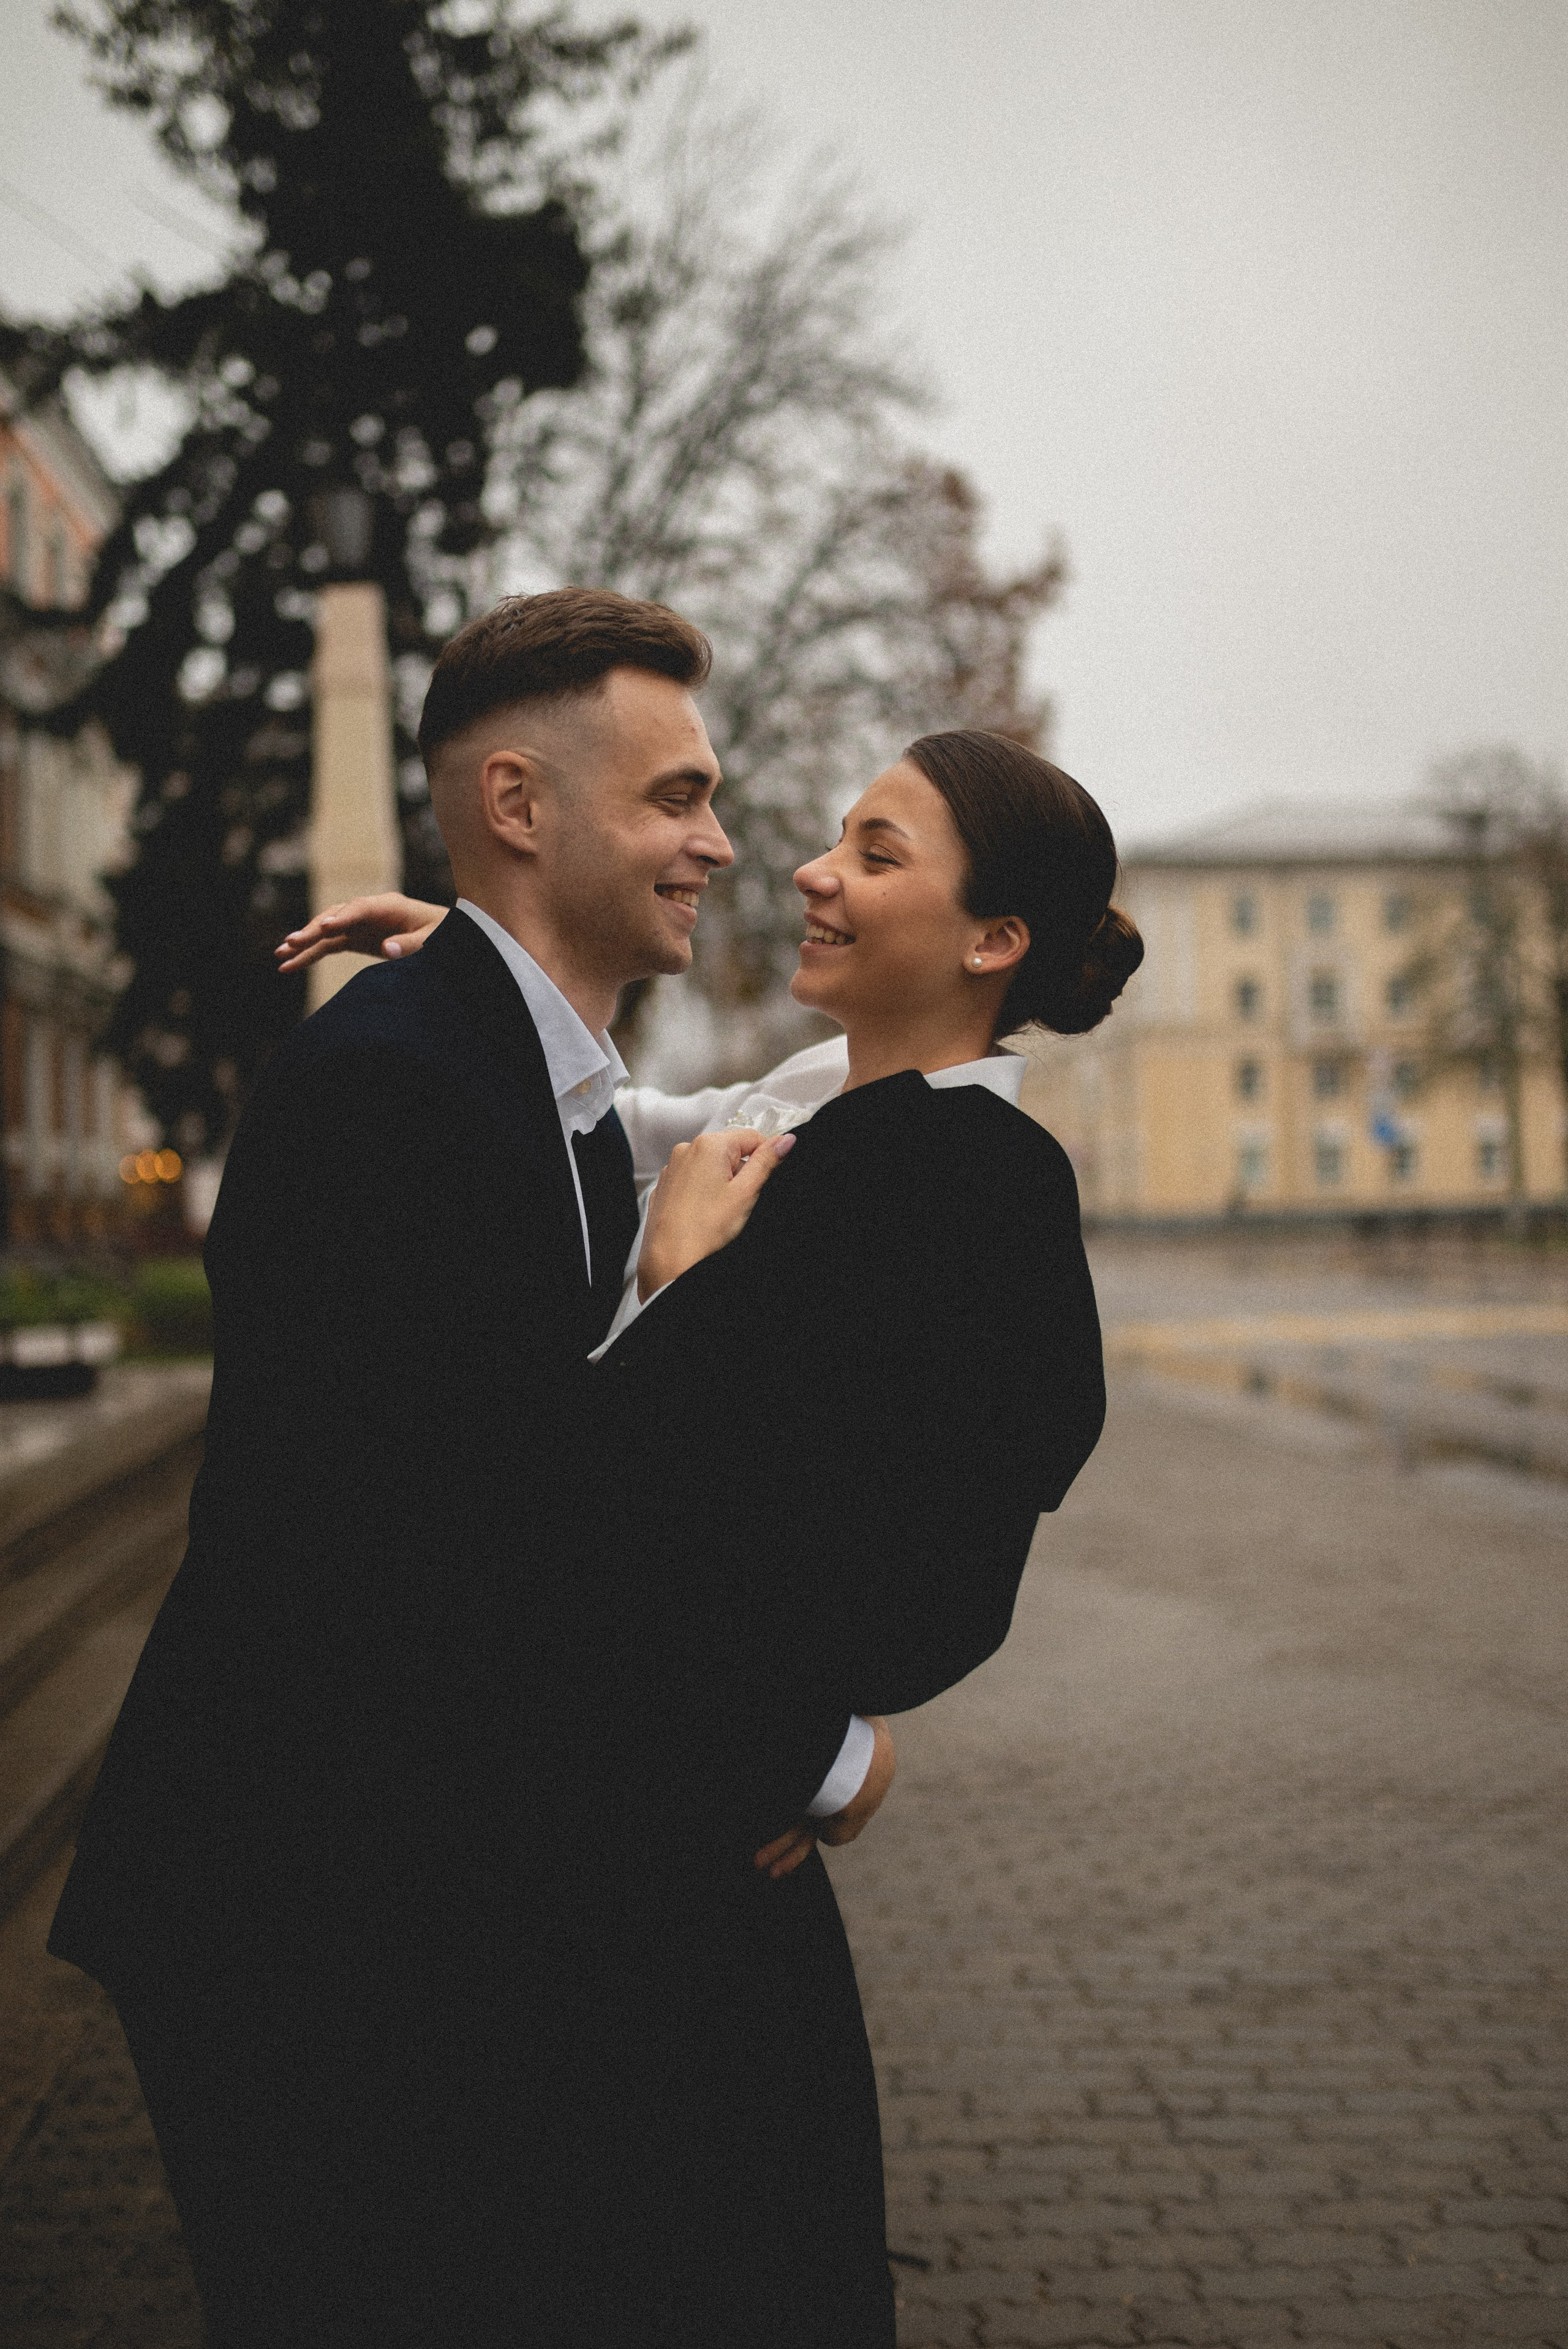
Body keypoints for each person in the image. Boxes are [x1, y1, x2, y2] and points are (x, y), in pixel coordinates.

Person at [48, 590, 895, 2349]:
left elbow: (834, 1095)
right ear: (521, 805)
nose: (719, 842)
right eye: (674, 796)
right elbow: (478, 1547)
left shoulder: (507, 1061)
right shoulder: (395, 1094)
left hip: (394, 1888)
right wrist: (806, 1751)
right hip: (309, 1923)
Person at [279, 723, 1145, 2343]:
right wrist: (476, 964)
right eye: (838, 835)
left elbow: (752, 1533)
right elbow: (647, 1109)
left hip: (676, 1873)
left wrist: (800, 1742)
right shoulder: (839, 1109)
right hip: (652, 1832)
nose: (812, 869)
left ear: (992, 940)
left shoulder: (970, 1189)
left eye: (877, 854)